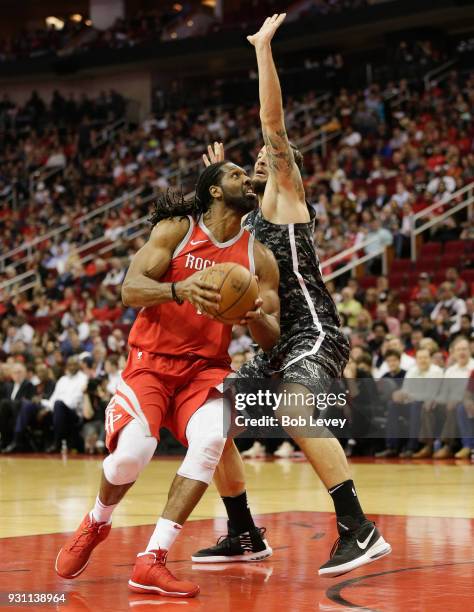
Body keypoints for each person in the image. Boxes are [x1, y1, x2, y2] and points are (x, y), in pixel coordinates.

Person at [192, 14, 391, 577]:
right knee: (208, 414)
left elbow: (271, 122)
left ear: (285, 170)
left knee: (294, 405)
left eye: (266, 159)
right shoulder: (247, 225)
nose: (259, 163)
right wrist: (214, 188)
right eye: (252, 165)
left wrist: (261, 51)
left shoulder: (285, 200)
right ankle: (244, 530)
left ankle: (359, 526)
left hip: (314, 333)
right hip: (275, 340)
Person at [54, 162, 280, 598]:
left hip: (206, 369)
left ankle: (151, 560)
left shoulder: (259, 256)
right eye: (236, 175)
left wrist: (254, 316)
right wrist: (181, 288)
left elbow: (271, 334)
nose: (247, 181)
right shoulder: (177, 229)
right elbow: (130, 288)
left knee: (213, 438)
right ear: (214, 191)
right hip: (151, 362)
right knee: (130, 458)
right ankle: (97, 521)